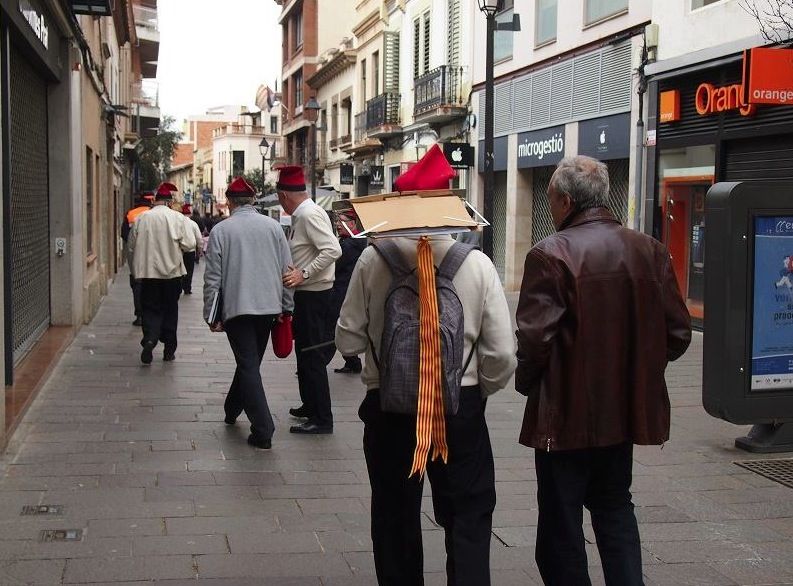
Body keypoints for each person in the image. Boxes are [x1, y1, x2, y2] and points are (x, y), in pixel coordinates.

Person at [335, 147, 516, 585]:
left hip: (390, 409)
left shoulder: (372, 260)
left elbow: (348, 340)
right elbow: (502, 355)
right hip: (458, 410)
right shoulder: (477, 265)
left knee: (394, 516)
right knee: (468, 514)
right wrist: (474, 389)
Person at [514, 155, 692, 586]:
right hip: (622, 411)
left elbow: (535, 339)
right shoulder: (650, 250)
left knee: (561, 521)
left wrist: (527, 382)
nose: (551, 209)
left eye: (551, 200)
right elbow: (678, 333)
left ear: (566, 201)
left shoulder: (551, 254)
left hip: (565, 413)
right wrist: (637, 367)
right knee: (614, 507)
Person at [203, 177, 294, 450]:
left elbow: (213, 277)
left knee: (248, 363)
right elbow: (287, 270)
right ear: (253, 200)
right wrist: (286, 306)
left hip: (237, 308)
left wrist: (211, 314)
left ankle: (263, 428)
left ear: (229, 202)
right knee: (249, 362)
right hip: (269, 308)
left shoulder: (221, 230)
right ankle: (232, 408)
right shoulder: (274, 227)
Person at [277, 165, 342, 434]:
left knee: (312, 356)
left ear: (283, 196)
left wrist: (303, 273)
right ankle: (310, 405)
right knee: (304, 354)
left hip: (315, 294)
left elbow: (333, 249)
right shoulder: (304, 214)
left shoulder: (308, 214)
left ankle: (322, 418)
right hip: (308, 294)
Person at [129, 182, 196, 364]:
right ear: (169, 202)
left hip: (148, 274)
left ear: (155, 201)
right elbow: (190, 244)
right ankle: (169, 349)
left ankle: (150, 338)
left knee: (150, 308)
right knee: (170, 309)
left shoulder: (142, 218)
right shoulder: (178, 218)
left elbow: (131, 245)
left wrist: (134, 271)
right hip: (171, 274)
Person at [329, 210, 367, 374]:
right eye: (337, 221)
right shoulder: (355, 241)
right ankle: (352, 362)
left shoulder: (349, 245)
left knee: (332, 327)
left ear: (352, 224)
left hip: (342, 290)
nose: (338, 224)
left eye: (342, 221)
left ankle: (319, 361)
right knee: (338, 325)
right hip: (346, 289)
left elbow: (335, 265)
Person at [121, 194, 152, 326]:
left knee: (137, 284)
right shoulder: (152, 214)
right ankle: (150, 313)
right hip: (151, 254)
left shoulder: (130, 214)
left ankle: (139, 315)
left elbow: (124, 234)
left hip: (135, 254)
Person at [181, 206, 204, 295]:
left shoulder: (177, 222)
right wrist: (200, 248)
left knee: (179, 269)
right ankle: (187, 288)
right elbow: (198, 237)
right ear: (189, 214)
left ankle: (179, 286)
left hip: (179, 250)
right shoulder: (193, 224)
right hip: (190, 250)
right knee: (189, 270)